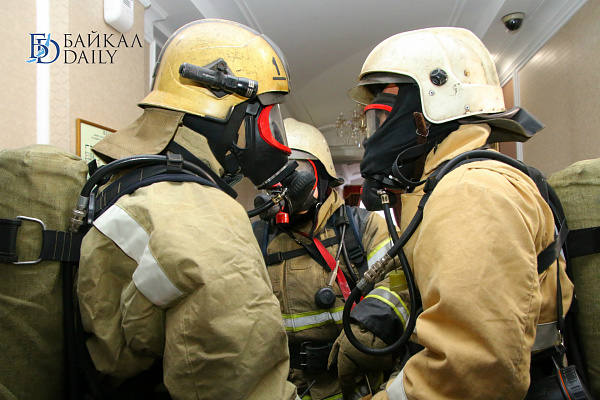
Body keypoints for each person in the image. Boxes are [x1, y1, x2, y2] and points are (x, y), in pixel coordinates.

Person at [345, 27, 574, 399]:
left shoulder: (471, 191)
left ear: (430, 107)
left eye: (384, 116)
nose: (375, 135)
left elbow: (473, 371)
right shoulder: (442, 185)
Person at [76, 19, 298, 400]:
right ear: (220, 102)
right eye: (265, 115)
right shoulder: (205, 216)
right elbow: (243, 382)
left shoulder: (122, 179)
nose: (273, 136)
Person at [252, 117, 408, 400]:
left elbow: (400, 281)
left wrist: (368, 327)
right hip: (286, 388)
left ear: (321, 177)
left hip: (356, 383)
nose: (283, 186)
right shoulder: (254, 239)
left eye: (297, 173)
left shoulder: (364, 227)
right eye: (276, 174)